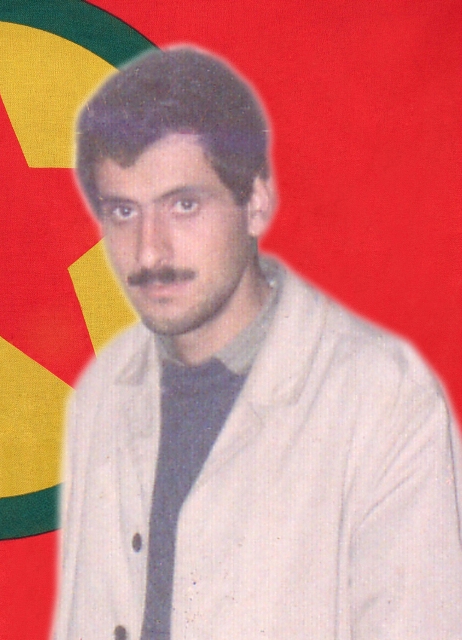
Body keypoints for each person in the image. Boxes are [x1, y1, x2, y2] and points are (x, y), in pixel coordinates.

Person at [53, 47, 462, 640]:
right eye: (123, 212)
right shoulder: (101, 392)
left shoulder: (384, 399)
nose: (149, 251)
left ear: (256, 203)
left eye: (184, 205)